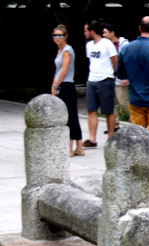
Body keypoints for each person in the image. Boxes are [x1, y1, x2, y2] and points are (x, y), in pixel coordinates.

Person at [82, 20, 118, 148]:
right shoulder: (89, 45)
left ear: (92, 31)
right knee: (91, 109)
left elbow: (115, 60)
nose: (84, 33)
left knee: (108, 110)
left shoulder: (107, 44)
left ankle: (111, 136)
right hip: (92, 80)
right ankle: (92, 138)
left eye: (86, 30)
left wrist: (112, 74)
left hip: (105, 80)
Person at [50, 25, 83, 157]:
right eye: (55, 35)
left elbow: (64, 70)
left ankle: (71, 147)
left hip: (67, 85)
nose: (57, 38)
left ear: (65, 37)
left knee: (70, 116)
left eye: (60, 35)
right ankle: (79, 146)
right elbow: (57, 71)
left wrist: (56, 86)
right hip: (60, 85)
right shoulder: (59, 51)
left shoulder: (67, 50)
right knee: (69, 116)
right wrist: (53, 84)